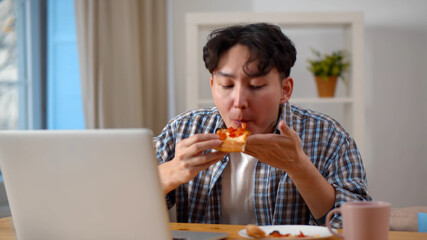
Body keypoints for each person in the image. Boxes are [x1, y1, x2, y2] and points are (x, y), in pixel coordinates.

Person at [154, 23, 371, 228]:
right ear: (212, 86)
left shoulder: (329, 137)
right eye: (227, 85)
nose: (239, 101)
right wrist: (170, 173)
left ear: (285, 90)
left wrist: (299, 167)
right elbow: (124, 207)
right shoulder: (182, 131)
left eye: (256, 86)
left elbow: (357, 227)